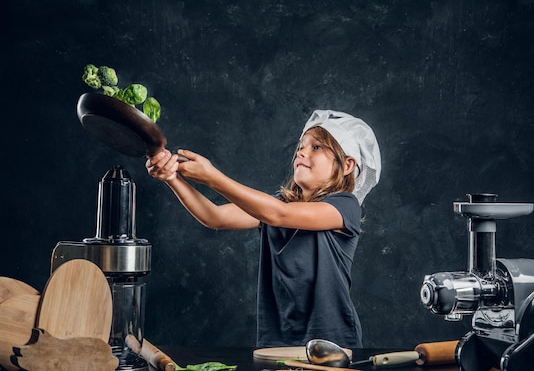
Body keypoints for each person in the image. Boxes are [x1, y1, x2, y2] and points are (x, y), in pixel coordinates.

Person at [145, 109, 381, 348]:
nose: (302, 151)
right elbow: (213, 216)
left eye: (316, 147)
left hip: (333, 341)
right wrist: (172, 177)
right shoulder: (278, 203)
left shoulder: (345, 206)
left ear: (348, 164)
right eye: (301, 146)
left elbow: (279, 215)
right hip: (279, 341)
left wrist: (212, 177)